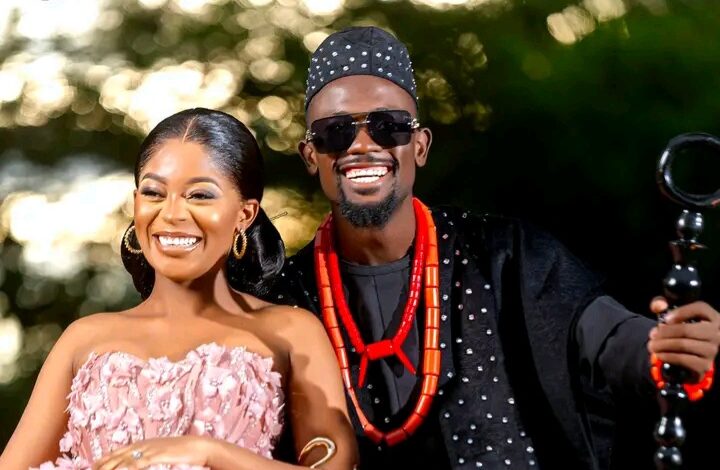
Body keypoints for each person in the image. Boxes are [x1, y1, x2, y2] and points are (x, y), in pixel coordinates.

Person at [268, 26, 720, 469]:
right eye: (335, 131)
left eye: (390, 127)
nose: (363, 145)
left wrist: (668, 347)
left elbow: (606, 337)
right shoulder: (284, 296)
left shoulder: (506, 254)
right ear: (310, 155)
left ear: (420, 146)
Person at [0, 108, 358, 470]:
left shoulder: (291, 332)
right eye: (154, 192)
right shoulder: (83, 340)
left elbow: (336, 466)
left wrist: (208, 452)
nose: (172, 214)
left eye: (199, 195)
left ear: (245, 214)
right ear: (136, 202)